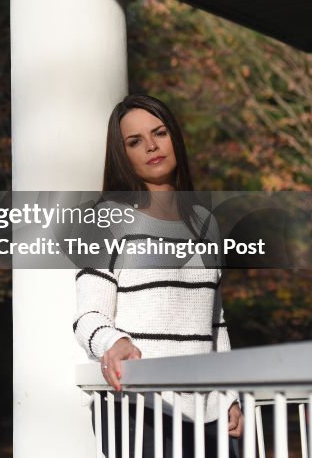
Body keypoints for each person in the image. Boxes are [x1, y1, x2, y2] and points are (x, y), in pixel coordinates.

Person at [73, 94, 243, 457]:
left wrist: (230, 395)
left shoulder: (206, 223)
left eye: (159, 133)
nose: (151, 146)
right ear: (123, 155)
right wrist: (114, 344)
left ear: (174, 138)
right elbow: (88, 318)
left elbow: (216, 324)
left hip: (207, 410)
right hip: (138, 408)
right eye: (134, 141)